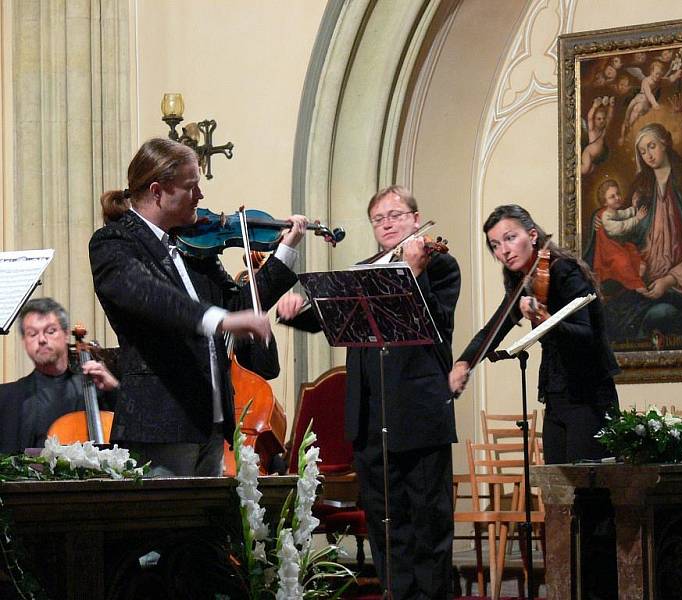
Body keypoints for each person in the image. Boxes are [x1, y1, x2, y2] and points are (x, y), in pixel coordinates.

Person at [276, 185, 460, 599]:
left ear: (416, 218)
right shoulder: (363, 270)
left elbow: (436, 325)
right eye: (379, 218)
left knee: (427, 524)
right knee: (385, 524)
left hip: (419, 415)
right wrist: (297, 313)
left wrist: (412, 273)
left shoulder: (440, 266)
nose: (388, 223)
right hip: (369, 417)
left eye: (396, 215)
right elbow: (334, 321)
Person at [88, 137, 307, 477]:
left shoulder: (189, 247)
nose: (201, 197)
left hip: (210, 422)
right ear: (158, 191)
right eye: (191, 187)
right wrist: (218, 320)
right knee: (168, 528)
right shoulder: (115, 242)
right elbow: (148, 295)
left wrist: (286, 251)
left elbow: (235, 306)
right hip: (161, 425)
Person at [449, 204, 619, 465]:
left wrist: (545, 320)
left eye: (510, 238)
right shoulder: (524, 283)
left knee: (589, 493)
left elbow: (586, 335)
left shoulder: (564, 271)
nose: (503, 251)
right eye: (495, 245)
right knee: (556, 489)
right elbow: (493, 329)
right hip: (557, 395)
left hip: (589, 395)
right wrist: (464, 364)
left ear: (532, 235)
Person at [601, 123, 682, 340]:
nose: (648, 156)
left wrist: (670, 280)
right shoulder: (641, 187)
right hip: (647, 278)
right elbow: (629, 238)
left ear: (665, 143)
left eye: (652, 146)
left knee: (658, 317)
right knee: (610, 319)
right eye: (643, 152)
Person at [0, 298, 119, 453]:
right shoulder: (7, 398)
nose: (42, 340)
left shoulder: (97, 391)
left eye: (50, 331)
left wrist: (115, 389)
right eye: (32, 334)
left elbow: (134, 431)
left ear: (66, 335)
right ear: (24, 341)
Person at [584, 179, 647, 294]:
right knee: (623, 262)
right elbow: (620, 228)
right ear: (605, 202)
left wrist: (633, 208)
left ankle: (638, 272)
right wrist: (637, 219)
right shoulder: (605, 216)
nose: (617, 198)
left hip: (618, 246)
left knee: (632, 252)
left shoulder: (614, 211)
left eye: (618, 194)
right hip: (609, 252)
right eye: (612, 196)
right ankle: (635, 284)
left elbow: (624, 214)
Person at [581, 96, 615, 175]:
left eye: (603, 118)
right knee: (585, 169)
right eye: (599, 119)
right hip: (588, 154)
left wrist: (611, 106)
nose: (602, 121)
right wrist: (594, 107)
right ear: (594, 120)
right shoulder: (592, 129)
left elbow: (610, 117)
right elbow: (589, 118)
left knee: (591, 170)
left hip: (596, 158)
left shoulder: (603, 130)